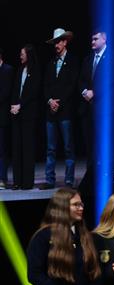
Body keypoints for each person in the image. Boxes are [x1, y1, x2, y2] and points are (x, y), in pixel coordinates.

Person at [78, 29, 114, 192]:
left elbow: (110, 79)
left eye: (95, 39)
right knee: (90, 147)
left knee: (105, 146)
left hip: (104, 111)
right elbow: (81, 79)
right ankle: (92, 179)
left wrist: (94, 92)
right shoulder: (88, 59)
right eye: (92, 39)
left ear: (104, 39)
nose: (92, 42)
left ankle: (107, 178)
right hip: (88, 110)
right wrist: (84, 92)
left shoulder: (113, 57)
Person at [41, 28, 79, 190]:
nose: (56, 45)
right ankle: (50, 179)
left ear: (65, 42)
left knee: (68, 147)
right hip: (51, 112)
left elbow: (72, 85)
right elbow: (45, 86)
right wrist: (50, 101)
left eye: (58, 42)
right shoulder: (50, 63)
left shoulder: (73, 61)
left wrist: (59, 103)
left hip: (65, 111)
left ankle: (69, 180)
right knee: (50, 148)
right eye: (55, 42)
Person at [10, 44, 41, 190]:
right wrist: (13, 105)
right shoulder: (20, 70)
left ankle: (27, 182)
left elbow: (33, 93)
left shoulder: (36, 70)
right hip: (17, 114)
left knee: (27, 148)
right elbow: (15, 90)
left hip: (29, 114)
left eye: (22, 54)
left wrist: (20, 105)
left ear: (28, 55)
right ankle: (17, 181)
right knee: (17, 148)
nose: (20, 56)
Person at [0, 48, 13, 189]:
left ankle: (2, 178)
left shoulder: (7, 70)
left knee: (2, 149)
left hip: (2, 116)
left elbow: (6, 92)